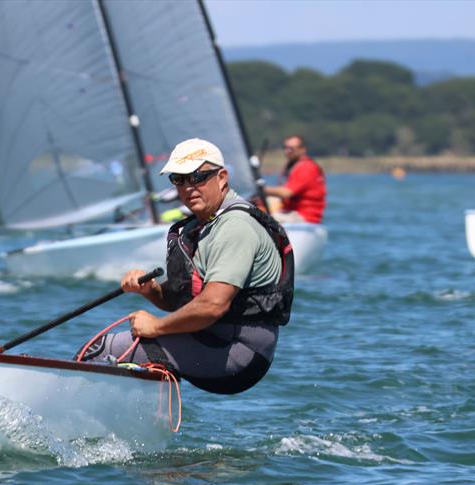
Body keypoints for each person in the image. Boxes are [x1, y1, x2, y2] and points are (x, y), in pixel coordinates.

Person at [80, 138, 294, 395]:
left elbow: (212, 305)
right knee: (129, 355)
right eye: (178, 179)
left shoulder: (236, 227)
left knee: (104, 350)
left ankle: (68, 423)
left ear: (222, 177)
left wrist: (156, 326)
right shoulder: (202, 226)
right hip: (210, 339)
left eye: (197, 177)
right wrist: (151, 291)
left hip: (239, 352)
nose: (188, 187)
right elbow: (184, 303)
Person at [263, 135, 326, 224]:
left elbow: (287, 192)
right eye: (285, 148)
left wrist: (261, 189)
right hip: (290, 212)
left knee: (259, 218)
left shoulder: (307, 168)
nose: (287, 151)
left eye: (291, 149)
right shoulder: (293, 166)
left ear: (302, 149)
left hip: (304, 216)